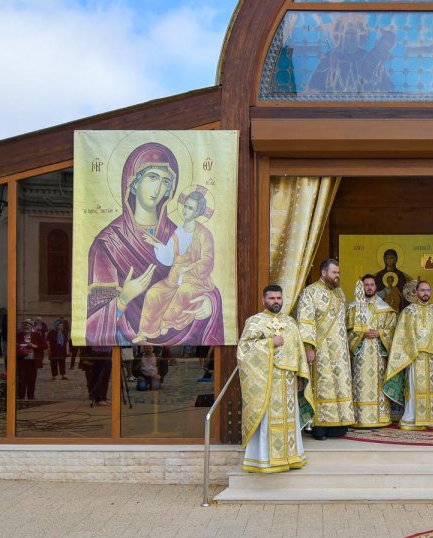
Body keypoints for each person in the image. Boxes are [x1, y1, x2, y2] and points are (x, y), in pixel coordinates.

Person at [85, 142, 224, 346]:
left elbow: (206, 276)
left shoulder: (180, 231)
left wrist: (210, 303)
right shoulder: (108, 242)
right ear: (133, 182)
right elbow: (93, 320)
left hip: (180, 313)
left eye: (166, 182)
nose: (159, 189)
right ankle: (148, 329)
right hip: (126, 339)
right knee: (154, 293)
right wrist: (124, 298)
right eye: (152, 178)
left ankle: (164, 324)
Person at [237, 285, 313, 473]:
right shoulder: (255, 322)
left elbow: (299, 352)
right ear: (264, 300)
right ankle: (265, 460)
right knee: (268, 422)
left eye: (278, 298)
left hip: (288, 382)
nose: (276, 301)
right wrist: (270, 343)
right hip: (267, 381)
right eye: (272, 298)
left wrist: (301, 376)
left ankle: (291, 458)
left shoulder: (290, 323)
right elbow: (244, 350)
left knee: (289, 422)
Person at [134, 188, 218, 343]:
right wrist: (157, 244)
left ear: (198, 212)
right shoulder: (178, 231)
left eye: (191, 208)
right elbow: (169, 257)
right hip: (174, 278)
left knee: (183, 292)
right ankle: (145, 332)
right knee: (154, 292)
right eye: (186, 206)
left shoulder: (204, 234)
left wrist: (190, 268)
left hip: (194, 280)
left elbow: (208, 260)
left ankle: (167, 323)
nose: (186, 210)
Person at [383, 280, 433, 430]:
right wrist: (412, 351)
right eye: (422, 290)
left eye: (428, 290)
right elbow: (402, 335)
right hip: (415, 357)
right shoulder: (408, 312)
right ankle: (412, 419)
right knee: (414, 387)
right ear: (416, 292)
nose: (426, 293)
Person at [297, 259, 355, 439]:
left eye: (338, 273)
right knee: (322, 385)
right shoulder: (310, 293)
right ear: (323, 273)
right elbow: (305, 321)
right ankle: (319, 427)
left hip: (340, 351)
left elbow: (345, 320)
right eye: (334, 273)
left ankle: (338, 424)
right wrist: (308, 347)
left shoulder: (339, 294)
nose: (337, 276)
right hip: (321, 349)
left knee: (339, 385)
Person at [346, 274, 397, 429]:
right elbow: (344, 331)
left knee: (378, 384)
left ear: (376, 287)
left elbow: (394, 330)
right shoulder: (352, 308)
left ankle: (380, 417)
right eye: (366, 285)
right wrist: (360, 333)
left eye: (371, 285)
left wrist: (380, 333)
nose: (369, 287)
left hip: (377, 353)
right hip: (360, 353)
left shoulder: (386, 309)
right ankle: (359, 418)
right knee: (359, 383)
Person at [15, 319, 45, 400]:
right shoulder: (18, 336)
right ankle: (21, 397)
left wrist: (34, 346)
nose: (26, 327)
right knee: (21, 379)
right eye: (24, 325)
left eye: (28, 325)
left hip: (33, 361)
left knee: (31, 379)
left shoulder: (36, 335)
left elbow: (44, 346)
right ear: (22, 327)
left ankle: (31, 397)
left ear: (31, 326)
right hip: (22, 361)